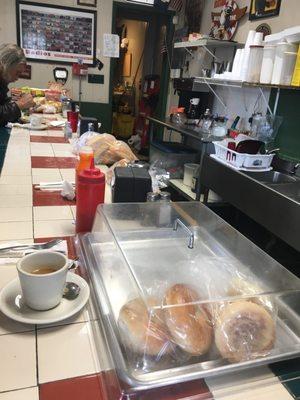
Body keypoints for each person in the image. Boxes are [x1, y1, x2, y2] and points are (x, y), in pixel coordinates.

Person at [0, 44, 34, 127]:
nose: (17, 78)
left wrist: (16, 106)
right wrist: (20, 104)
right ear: (6, 65)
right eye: (17, 73)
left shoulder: (2, 81)